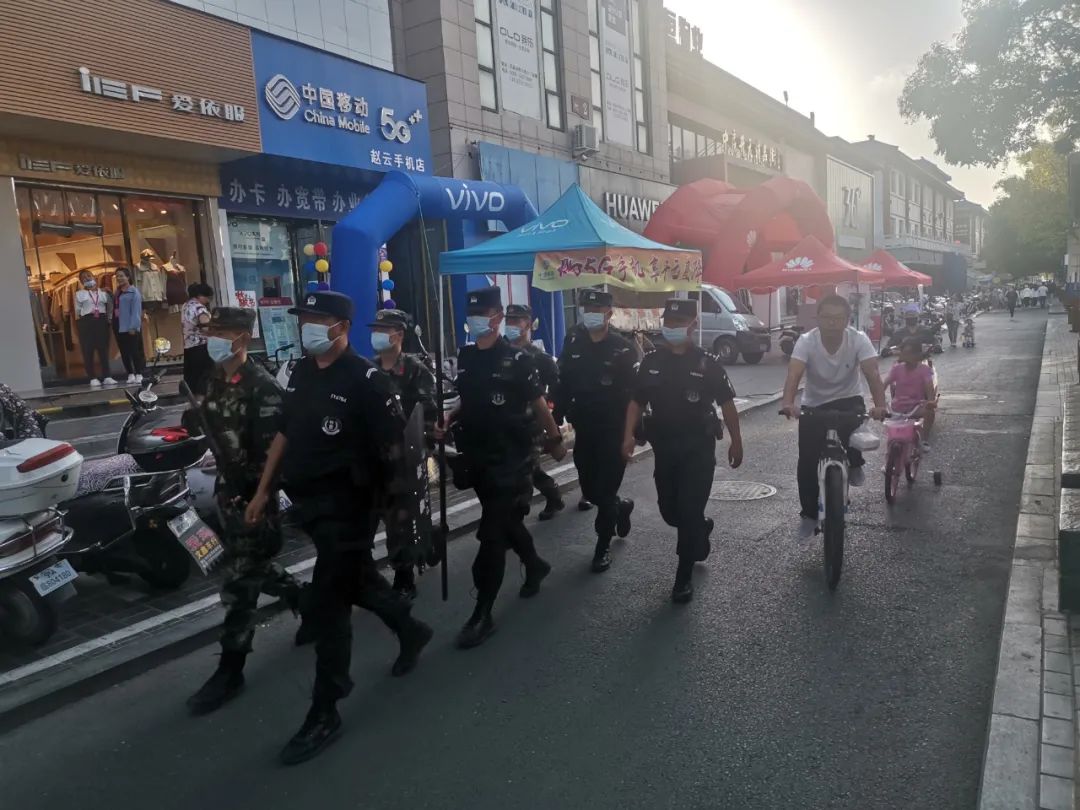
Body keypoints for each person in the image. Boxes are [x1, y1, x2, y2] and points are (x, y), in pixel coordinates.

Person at [245, 290, 433, 765]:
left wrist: (400, 522)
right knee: (357, 582)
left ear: (341, 327)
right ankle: (409, 628)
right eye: (303, 318)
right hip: (310, 504)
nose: (306, 326)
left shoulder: (367, 381)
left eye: (315, 319)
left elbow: (397, 458)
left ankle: (325, 707)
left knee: (330, 604)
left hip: (352, 509)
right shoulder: (304, 372)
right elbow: (285, 433)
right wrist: (263, 490)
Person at [185, 307, 301, 716]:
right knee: (252, 568)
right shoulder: (214, 377)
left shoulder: (263, 387)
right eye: (210, 331)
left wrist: (260, 496)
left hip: (255, 495)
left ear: (239, 338)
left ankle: (231, 669)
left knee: (239, 583)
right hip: (228, 493)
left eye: (219, 332)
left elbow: (275, 454)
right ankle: (304, 599)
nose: (211, 338)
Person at [435, 287, 566, 649]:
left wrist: (555, 440)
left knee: (491, 537)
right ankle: (534, 564)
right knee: (506, 522)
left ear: (496, 317)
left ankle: (483, 613)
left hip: (513, 458)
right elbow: (469, 398)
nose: (477, 319)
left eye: (485, 313)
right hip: (477, 457)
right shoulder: (465, 357)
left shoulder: (518, 360)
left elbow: (540, 405)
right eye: (472, 312)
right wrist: (450, 415)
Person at [622, 298, 743, 603]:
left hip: (697, 450)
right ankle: (699, 528)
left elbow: (727, 404)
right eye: (669, 323)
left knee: (688, 511)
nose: (672, 328)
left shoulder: (707, 363)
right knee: (670, 512)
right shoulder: (651, 361)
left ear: (693, 325)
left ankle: (683, 577)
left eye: (679, 323)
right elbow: (636, 402)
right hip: (665, 448)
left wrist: (736, 441)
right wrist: (627, 436)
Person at [780, 295, 889, 541]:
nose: (832, 323)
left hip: (849, 399)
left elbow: (872, 373)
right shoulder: (807, 341)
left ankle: (855, 461)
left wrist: (881, 405)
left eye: (838, 318)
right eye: (826, 317)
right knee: (807, 462)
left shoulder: (858, 339)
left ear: (847, 320)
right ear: (817, 318)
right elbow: (794, 373)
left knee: (854, 432)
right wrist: (788, 403)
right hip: (814, 403)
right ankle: (809, 516)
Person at [556, 289, 638, 572]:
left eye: (596, 309)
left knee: (605, 489)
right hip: (585, 429)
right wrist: (554, 422)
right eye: (586, 308)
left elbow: (635, 398)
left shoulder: (624, 348)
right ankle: (620, 505)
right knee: (590, 490)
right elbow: (563, 382)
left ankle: (602, 546)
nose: (590, 313)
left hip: (613, 430)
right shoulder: (574, 340)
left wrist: (631, 435)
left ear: (608, 313)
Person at [369, 307, 437, 599]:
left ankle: (404, 574)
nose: (378, 335)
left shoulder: (415, 371)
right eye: (376, 329)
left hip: (403, 459)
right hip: (372, 459)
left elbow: (427, 414)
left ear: (399, 334)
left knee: (400, 521)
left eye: (384, 330)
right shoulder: (367, 369)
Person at [505, 303, 565, 521]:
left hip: (532, 423)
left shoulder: (540, 358)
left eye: (517, 320)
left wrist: (550, 415)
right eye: (509, 320)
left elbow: (557, 388)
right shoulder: (500, 352)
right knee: (528, 467)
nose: (511, 324)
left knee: (525, 468)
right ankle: (554, 495)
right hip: (506, 423)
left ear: (528, 325)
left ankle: (515, 522)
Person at [885, 337, 938, 447]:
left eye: (910, 353)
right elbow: (883, 385)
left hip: (916, 407)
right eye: (905, 353)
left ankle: (924, 440)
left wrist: (931, 401)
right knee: (891, 441)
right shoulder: (896, 369)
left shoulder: (924, 370)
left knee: (930, 412)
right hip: (897, 408)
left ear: (918, 354)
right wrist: (878, 401)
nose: (907, 356)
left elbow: (929, 388)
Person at [74, 270, 115, 388]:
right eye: (83, 278)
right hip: (86, 321)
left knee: (103, 349)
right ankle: (92, 377)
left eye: (88, 276)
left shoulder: (103, 293)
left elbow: (110, 306)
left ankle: (107, 376)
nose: (87, 278)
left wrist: (109, 319)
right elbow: (77, 311)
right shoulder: (79, 294)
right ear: (81, 281)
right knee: (88, 350)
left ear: (94, 277)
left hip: (102, 321)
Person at [112, 267, 146, 384]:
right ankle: (130, 373)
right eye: (117, 276)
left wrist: (134, 327)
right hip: (118, 325)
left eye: (122, 275)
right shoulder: (117, 292)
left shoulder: (133, 292)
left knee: (134, 351)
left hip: (130, 326)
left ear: (128, 277)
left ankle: (139, 373)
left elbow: (136, 311)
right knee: (124, 351)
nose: (119, 278)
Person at [182, 283, 214, 397]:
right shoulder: (200, 308)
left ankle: (194, 405)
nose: (208, 301)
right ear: (201, 295)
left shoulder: (186, 306)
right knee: (203, 379)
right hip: (202, 347)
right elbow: (206, 326)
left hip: (189, 346)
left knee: (193, 380)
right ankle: (202, 405)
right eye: (208, 298)